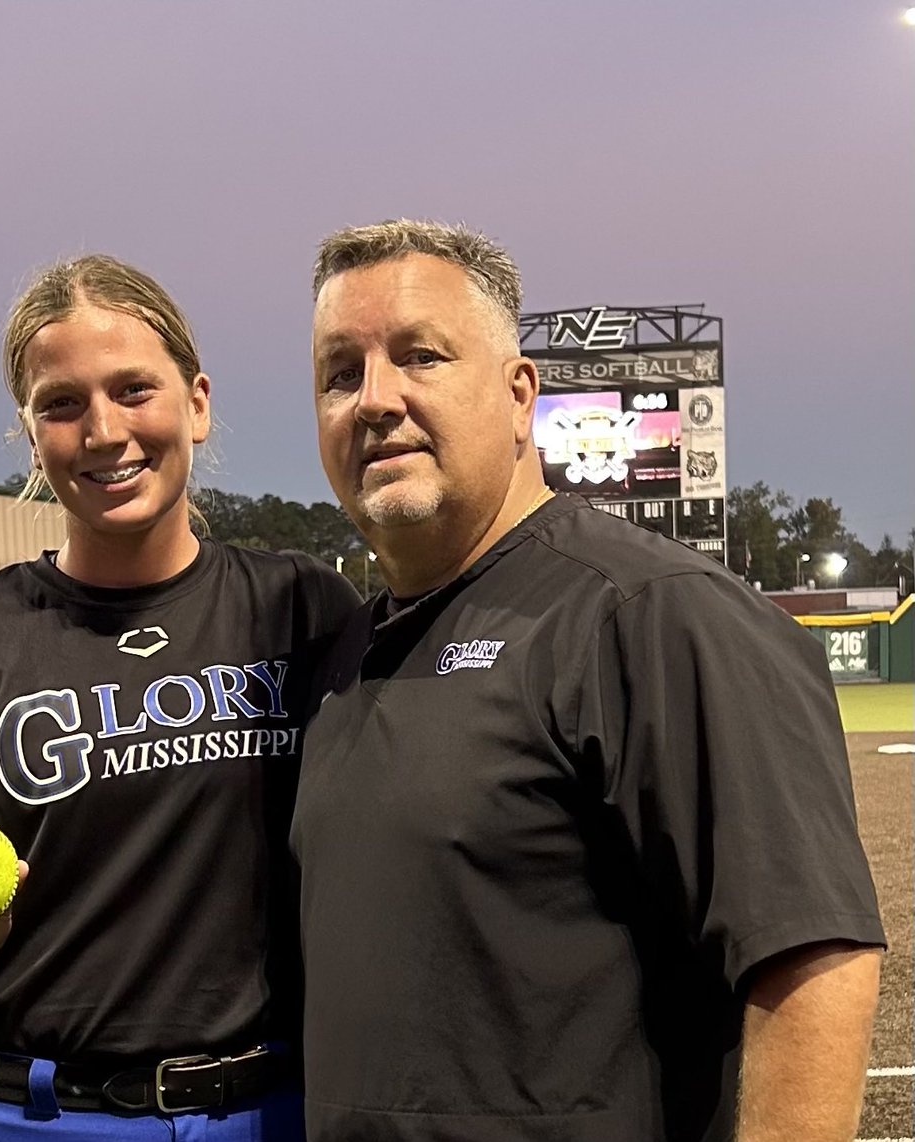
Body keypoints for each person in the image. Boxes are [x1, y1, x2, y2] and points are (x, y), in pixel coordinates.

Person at [290, 219, 884, 1142]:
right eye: (340, 372)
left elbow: (814, 961)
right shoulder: (343, 652)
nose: (374, 399)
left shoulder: (654, 611)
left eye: (421, 357)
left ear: (518, 393)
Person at [0, 254, 360, 1141]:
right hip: (32, 1115)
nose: (103, 430)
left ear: (196, 403)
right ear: (31, 434)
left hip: (272, 1109)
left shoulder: (304, 608)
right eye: (61, 403)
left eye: (133, 390)